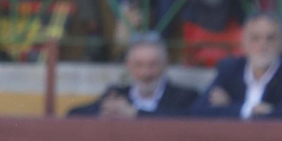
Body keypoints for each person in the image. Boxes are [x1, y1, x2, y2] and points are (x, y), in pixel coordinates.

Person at [193, 11, 282, 117]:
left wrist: (230, 106)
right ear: (244, 43)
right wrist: (248, 109)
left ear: (281, 42)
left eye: (270, 38)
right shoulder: (230, 69)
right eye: (255, 38)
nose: (263, 45)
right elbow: (199, 111)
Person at [67, 32, 201, 115]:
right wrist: (102, 112)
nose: (145, 72)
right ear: (128, 65)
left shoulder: (185, 96)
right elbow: (73, 114)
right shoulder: (117, 93)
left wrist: (134, 114)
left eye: (152, 65)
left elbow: (184, 121)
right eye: (139, 64)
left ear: (165, 64)